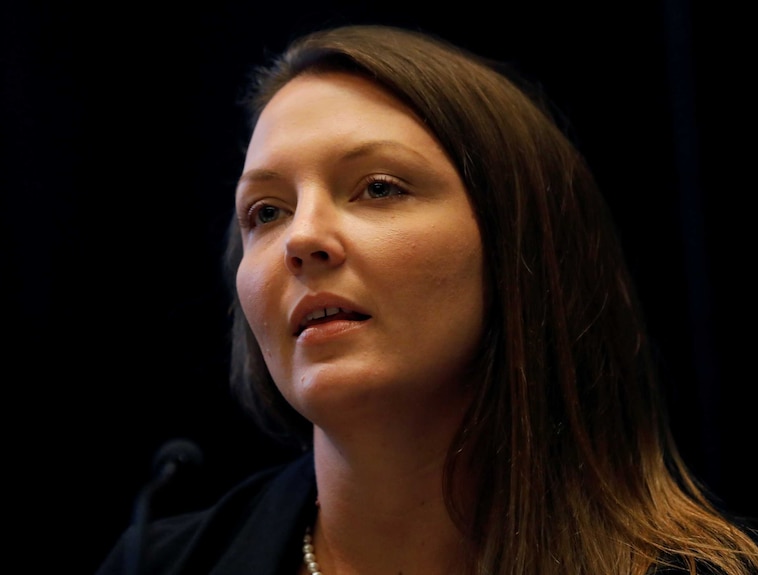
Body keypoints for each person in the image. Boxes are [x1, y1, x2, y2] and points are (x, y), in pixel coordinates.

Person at [96, 23, 758, 575]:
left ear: (516, 247)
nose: (301, 238)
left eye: (378, 188)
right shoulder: (158, 563)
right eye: (266, 211)